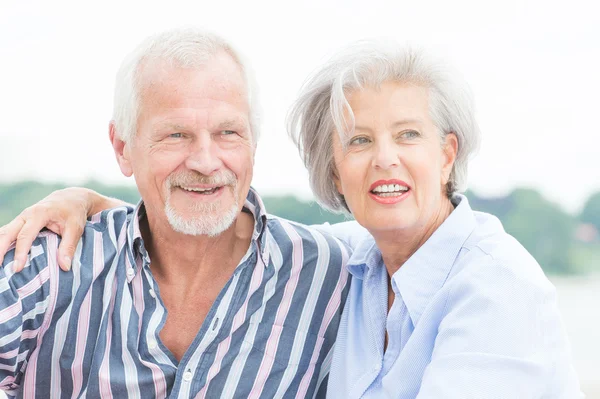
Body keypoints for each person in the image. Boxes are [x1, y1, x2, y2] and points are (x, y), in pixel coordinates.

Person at [1, 42, 583, 398]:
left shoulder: (495, 287)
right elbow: (187, 214)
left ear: (448, 153)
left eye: (409, 135)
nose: (385, 158)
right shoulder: (353, 260)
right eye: (359, 141)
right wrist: (93, 202)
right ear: (334, 167)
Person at [0, 28, 351, 398]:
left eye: (228, 132)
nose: (205, 161)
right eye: (176, 135)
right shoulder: (48, 263)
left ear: (254, 142)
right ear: (123, 148)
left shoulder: (328, 274)